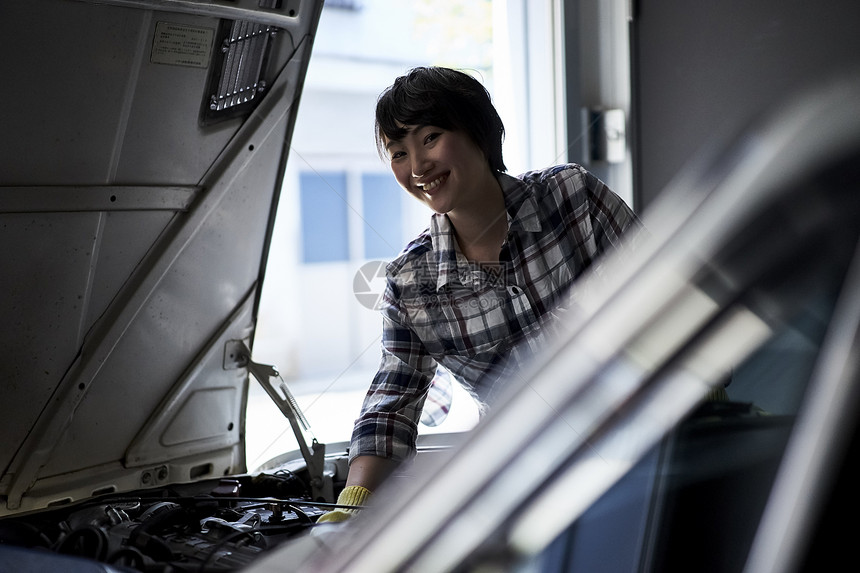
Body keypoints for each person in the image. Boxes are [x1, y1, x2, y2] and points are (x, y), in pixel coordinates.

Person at [317, 66, 641, 522]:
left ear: (478, 131)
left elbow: (669, 294)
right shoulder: (410, 283)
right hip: (538, 490)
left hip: (652, 443)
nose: (416, 167)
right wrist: (348, 512)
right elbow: (391, 405)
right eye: (397, 153)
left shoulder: (573, 197)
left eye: (430, 138)